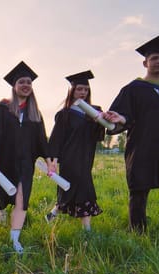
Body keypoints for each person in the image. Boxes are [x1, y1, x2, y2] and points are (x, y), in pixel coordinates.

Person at [103, 35, 159, 238]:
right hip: (143, 146)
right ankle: (138, 232)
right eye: (155, 57)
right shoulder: (132, 89)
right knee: (139, 190)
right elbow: (121, 117)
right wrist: (119, 118)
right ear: (145, 62)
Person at [0, 61, 52, 254]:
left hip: (25, 163)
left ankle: (14, 238)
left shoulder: (35, 113)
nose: (26, 85)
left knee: (21, 199)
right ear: (14, 86)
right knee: (1, 193)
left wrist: (48, 159)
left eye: (29, 82)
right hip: (4, 161)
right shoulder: (1, 109)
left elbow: (42, 138)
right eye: (22, 81)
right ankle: (0, 209)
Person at [47, 70, 105, 231]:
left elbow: (99, 137)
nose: (83, 93)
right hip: (70, 158)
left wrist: (99, 121)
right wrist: (53, 162)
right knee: (82, 187)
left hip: (86, 157)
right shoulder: (64, 114)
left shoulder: (94, 111)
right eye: (79, 89)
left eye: (86, 90)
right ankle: (87, 230)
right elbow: (56, 139)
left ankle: (53, 213)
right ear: (72, 91)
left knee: (71, 188)